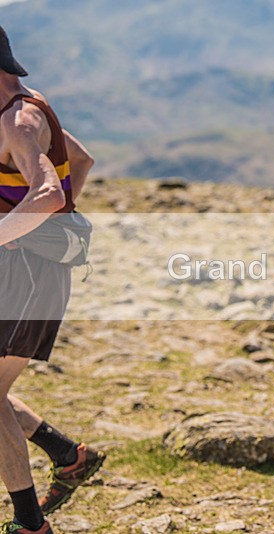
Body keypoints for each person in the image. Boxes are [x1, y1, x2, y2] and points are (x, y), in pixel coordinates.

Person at [0, 26, 104, 534]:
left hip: (27, 275)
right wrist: (52, 229)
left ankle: (30, 524)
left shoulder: (18, 120)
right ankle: (66, 454)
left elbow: (47, 193)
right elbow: (80, 161)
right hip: (28, 269)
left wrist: (18, 232)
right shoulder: (30, 104)